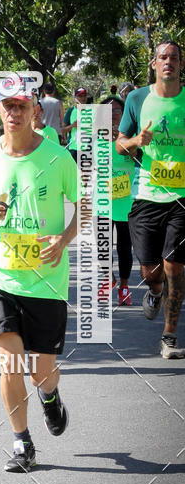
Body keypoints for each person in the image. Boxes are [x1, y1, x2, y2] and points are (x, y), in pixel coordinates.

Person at [0, 76, 79, 473]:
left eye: (21, 106)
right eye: (7, 105)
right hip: (2, 275)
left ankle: (49, 396)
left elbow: (88, 206)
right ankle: (22, 443)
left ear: (34, 111)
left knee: (41, 370)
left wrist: (62, 240)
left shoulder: (58, 158)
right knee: (9, 360)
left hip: (47, 278)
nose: (14, 112)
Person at [116, 40, 185, 358]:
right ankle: (155, 293)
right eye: (163, 58)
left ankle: (169, 336)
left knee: (174, 267)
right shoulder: (137, 98)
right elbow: (119, 145)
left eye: (174, 58)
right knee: (151, 273)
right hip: (146, 195)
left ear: (181, 64)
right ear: (154, 64)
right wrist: (136, 140)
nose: (168, 62)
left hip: (181, 199)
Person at [102, 95, 135, 305]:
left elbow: (137, 157)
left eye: (116, 111)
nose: (113, 115)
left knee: (124, 247)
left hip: (125, 203)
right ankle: (108, 280)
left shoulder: (131, 137)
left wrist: (120, 141)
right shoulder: (92, 139)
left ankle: (124, 286)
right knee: (102, 247)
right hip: (101, 203)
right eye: (108, 111)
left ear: (123, 115)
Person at [62, 86, 88, 160]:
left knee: (86, 171)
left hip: (88, 148)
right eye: (80, 96)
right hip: (73, 148)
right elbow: (62, 130)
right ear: (75, 98)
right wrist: (72, 126)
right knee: (73, 171)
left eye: (84, 95)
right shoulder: (71, 111)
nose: (83, 98)